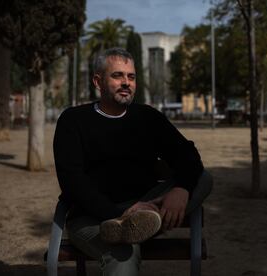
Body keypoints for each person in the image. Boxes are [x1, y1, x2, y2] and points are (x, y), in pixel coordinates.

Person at [53, 47, 212, 276]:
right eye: (117, 75)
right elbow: (72, 181)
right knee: (123, 254)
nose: (126, 82)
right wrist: (119, 214)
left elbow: (187, 154)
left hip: (145, 208)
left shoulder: (148, 118)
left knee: (203, 179)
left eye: (131, 76)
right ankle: (130, 226)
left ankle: (141, 224)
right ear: (98, 81)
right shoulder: (73, 121)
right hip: (93, 218)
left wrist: (181, 188)